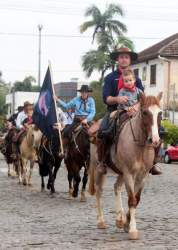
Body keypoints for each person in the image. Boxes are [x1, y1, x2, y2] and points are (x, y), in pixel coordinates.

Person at [97, 47, 162, 175]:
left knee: (159, 128)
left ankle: (153, 162)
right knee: (103, 130)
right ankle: (102, 161)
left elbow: (142, 97)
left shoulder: (136, 79)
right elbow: (106, 98)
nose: (124, 59)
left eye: (126, 57)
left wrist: (136, 107)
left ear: (129, 60)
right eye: (121, 57)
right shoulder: (110, 78)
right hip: (115, 110)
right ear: (117, 59)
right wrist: (118, 99)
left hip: (137, 111)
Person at [54, 84, 96, 155]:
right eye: (82, 92)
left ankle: (97, 153)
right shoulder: (76, 99)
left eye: (85, 92)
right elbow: (67, 106)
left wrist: (87, 119)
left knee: (97, 134)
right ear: (80, 92)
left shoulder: (91, 100)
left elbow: (93, 112)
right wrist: (57, 100)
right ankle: (64, 150)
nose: (84, 93)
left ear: (88, 93)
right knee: (66, 132)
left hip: (88, 121)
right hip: (77, 121)